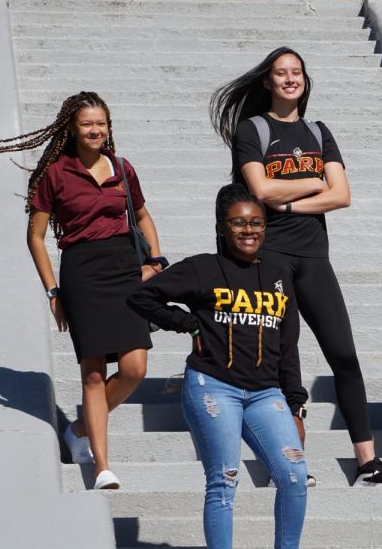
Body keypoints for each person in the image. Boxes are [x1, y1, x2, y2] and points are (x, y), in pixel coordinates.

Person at [0, 91, 165, 490]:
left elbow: (142, 215)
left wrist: (156, 261)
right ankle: (102, 467)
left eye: (101, 122)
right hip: (82, 274)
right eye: (87, 123)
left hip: (124, 270)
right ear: (71, 127)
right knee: (94, 374)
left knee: (135, 367)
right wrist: (53, 292)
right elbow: (35, 237)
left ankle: (80, 428)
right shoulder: (55, 174)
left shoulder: (122, 166)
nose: (96, 129)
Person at [210, 47, 382, 487]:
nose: (290, 79)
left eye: (297, 72)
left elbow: (342, 195)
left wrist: (290, 200)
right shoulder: (252, 130)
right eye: (281, 73)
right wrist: (314, 183)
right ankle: (290, 459)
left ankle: (367, 461)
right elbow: (258, 189)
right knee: (284, 360)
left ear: (305, 80)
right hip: (271, 257)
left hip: (314, 257)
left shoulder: (318, 130)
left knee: (344, 355)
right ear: (267, 81)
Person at [127, 184, 308, 549]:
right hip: (214, 387)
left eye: (257, 223)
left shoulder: (278, 276)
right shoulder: (202, 268)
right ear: (222, 226)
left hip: (265, 394)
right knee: (224, 480)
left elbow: (289, 345)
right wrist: (187, 323)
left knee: (294, 477)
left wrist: (295, 404)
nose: (249, 231)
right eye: (239, 223)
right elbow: (142, 295)